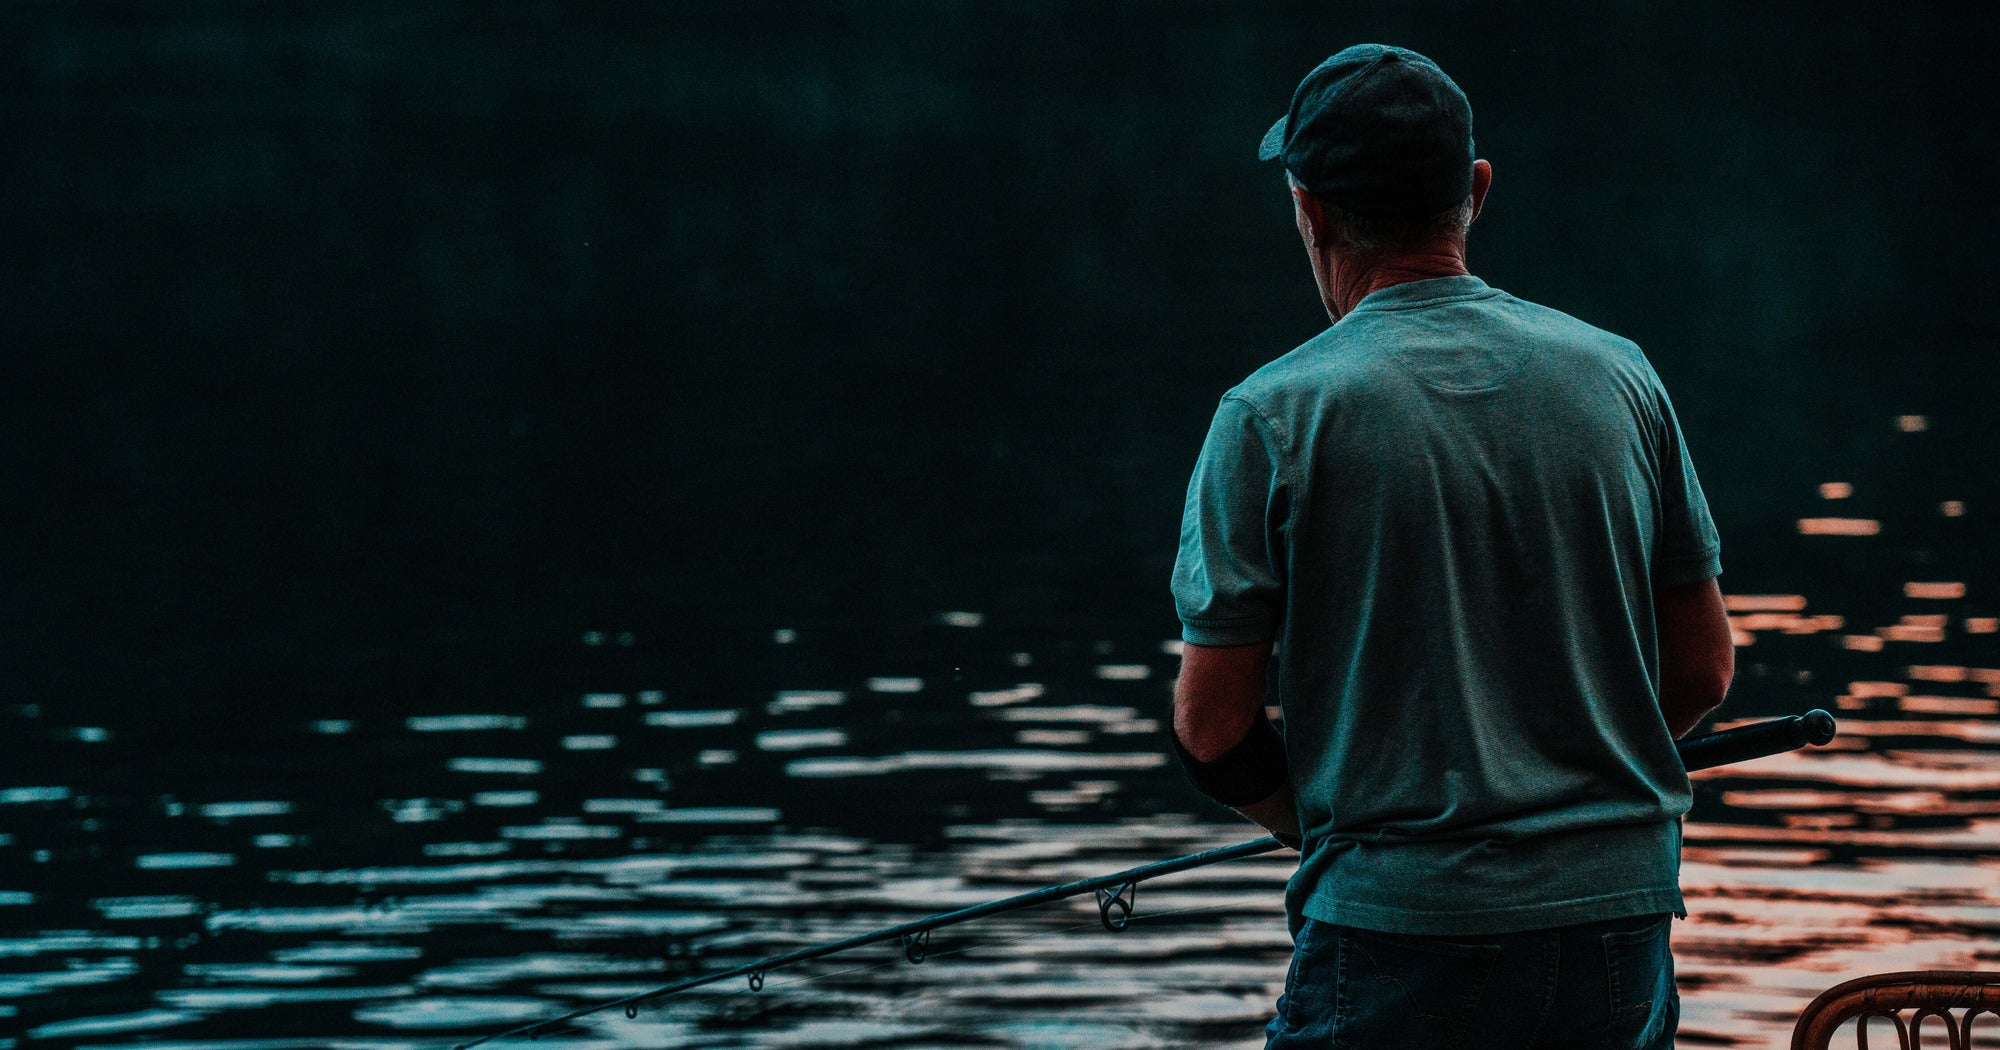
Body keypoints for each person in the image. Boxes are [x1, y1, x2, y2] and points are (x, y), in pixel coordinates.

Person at [1167, 45, 1735, 1050]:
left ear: (1309, 211)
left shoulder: (1269, 415)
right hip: (1618, 923)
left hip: (1394, 934)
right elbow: (1702, 667)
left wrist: (1328, 831)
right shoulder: (1620, 379)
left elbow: (1211, 726)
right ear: (1473, 189)